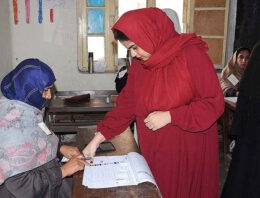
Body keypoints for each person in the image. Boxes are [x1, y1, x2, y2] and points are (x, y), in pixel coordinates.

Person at [83, 8, 224, 198]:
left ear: (149, 35)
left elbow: (213, 103)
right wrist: (96, 140)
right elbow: (127, 105)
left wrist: (171, 116)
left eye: (135, 47)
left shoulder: (191, 55)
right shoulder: (142, 65)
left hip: (187, 150)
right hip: (154, 150)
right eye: (129, 49)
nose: (133, 55)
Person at [0, 59, 86, 198]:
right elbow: (20, 185)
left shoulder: (22, 108)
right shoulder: (12, 129)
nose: (49, 96)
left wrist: (59, 149)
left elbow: (38, 138)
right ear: (29, 89)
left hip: (39, 178)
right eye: (46, 90)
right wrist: (63, 171)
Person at [221, 41, 260, 198]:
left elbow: (244, 95)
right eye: (241, 58)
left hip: (248, 125)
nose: (244, 61)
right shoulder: (230, 74)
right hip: (252, 123)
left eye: (247, 58)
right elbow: (225, 85)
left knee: (243, 171)